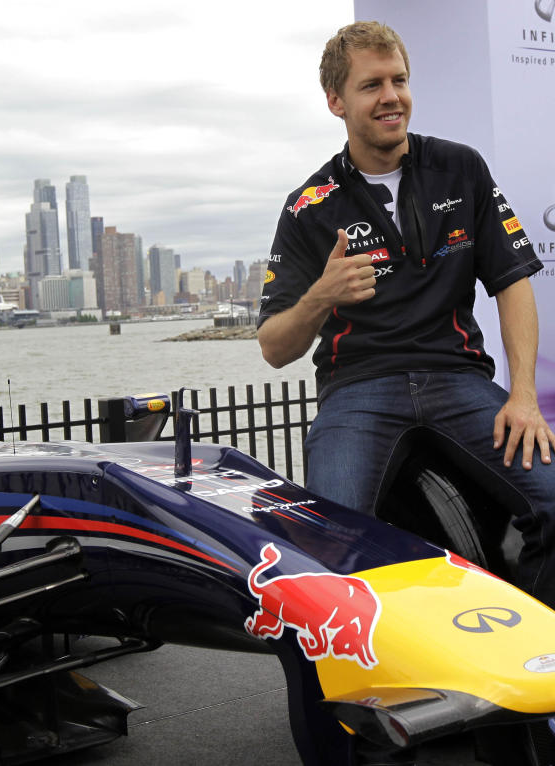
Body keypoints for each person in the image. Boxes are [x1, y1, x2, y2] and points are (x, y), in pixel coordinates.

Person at [257, 20, 555, 766]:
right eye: (371, 86)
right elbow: (274, 346)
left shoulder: (461, 168)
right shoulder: (309, 206)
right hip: (360, 390)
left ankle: (523, 665)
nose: (391, 98)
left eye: (398, 81)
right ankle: (345, 746)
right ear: (336, 101)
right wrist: (321, 293)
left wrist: (522, 395)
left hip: (460, 380)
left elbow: (513, 285)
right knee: (317, 566)